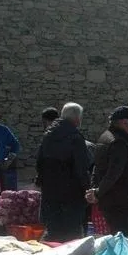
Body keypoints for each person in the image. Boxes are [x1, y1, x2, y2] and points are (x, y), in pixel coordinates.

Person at [86, 106, 128, 236]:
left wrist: (95, 190)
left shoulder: (105, 137)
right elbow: (113, 174)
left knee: (117, 238)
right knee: (122, 241)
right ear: (123, 122)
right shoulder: (119, 142)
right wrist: (97, 192)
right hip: (122, 202)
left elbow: (97, 168)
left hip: (113, 200)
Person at [37, 102, 91, 242]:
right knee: (71, 234)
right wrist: (87, 188)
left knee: (53, 230)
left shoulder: (48, 134)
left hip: (50, 191)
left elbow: (40, 162)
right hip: (71, 193)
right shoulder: (75, 137)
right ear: (77, 118)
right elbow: (81, 167)